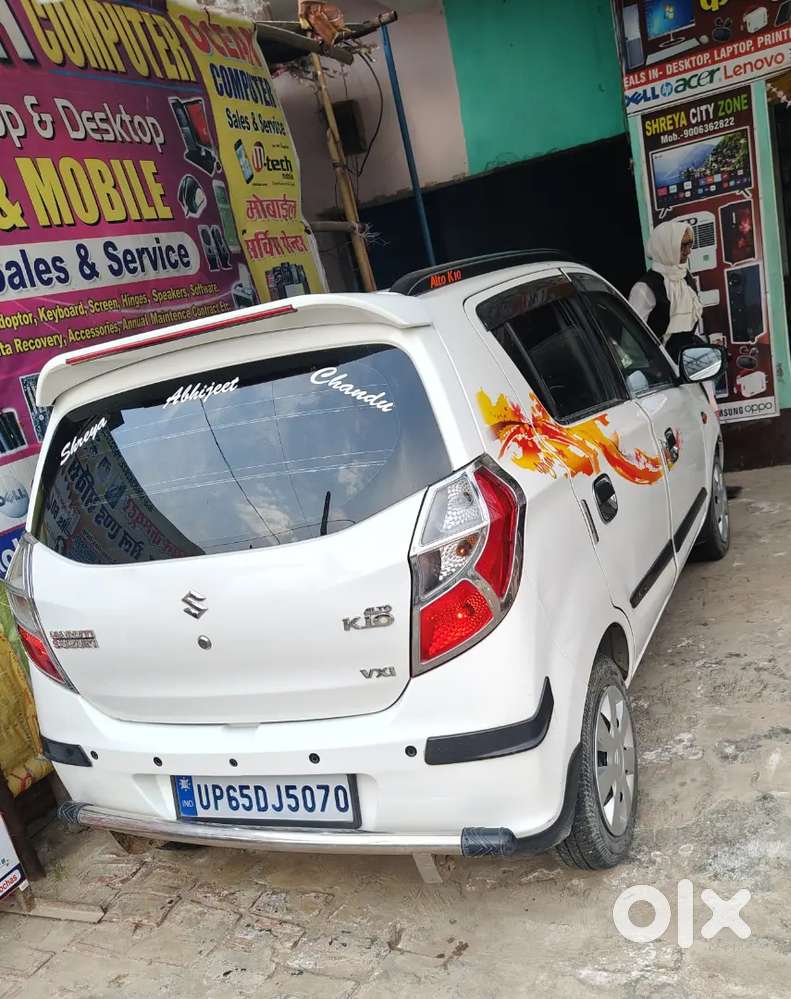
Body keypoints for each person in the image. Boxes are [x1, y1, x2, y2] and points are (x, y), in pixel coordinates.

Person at [629, 220, 706, 362]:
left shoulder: (685, 278)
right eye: (683, 245)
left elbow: (691, 327)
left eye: (690, 244)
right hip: (663, 370)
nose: (688, 252)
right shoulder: (644, 289)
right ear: (665, 247)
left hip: (690, 363)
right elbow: (634, 343)